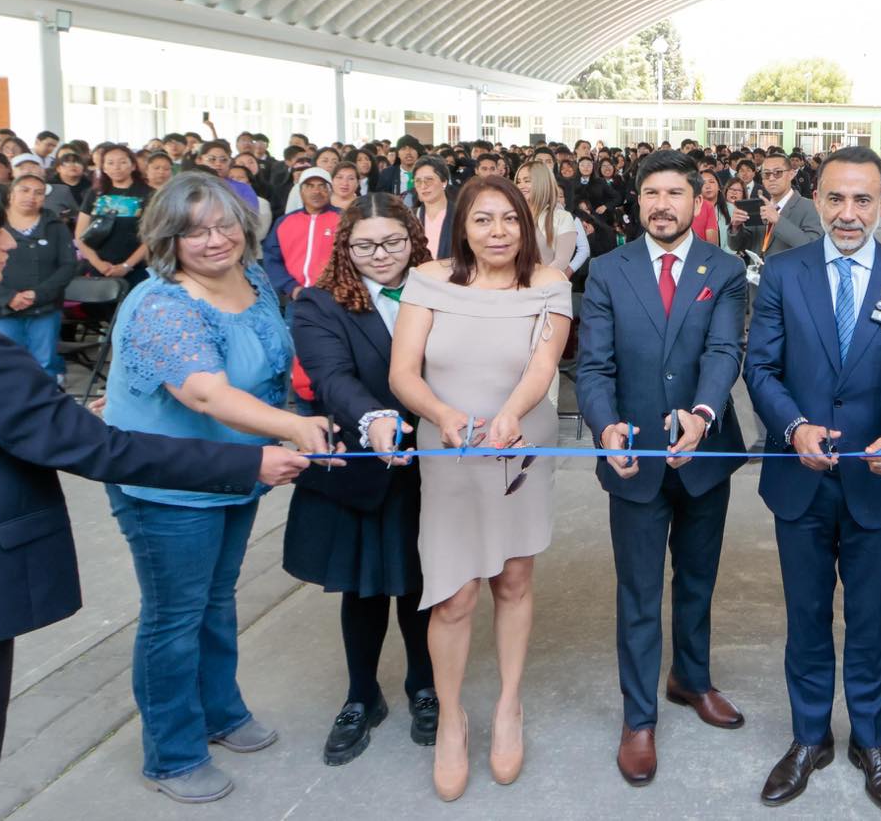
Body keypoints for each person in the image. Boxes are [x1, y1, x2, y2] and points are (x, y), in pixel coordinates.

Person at [0, 167, 310, 821]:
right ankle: (174, 750)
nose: (9, 242)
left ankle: (215, 713)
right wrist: (243, 464)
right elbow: (96, 450)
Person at [100, 173, 336, 803]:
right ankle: (172, 753)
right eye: (194, 230)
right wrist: (295, 428)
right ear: (165, 238)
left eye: (224, 224)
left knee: (216, 600)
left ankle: (221, 711)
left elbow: (267, 367)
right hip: (168, 484)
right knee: (173, 618)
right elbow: (205, 392)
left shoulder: (251, 279)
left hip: (233, 473)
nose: (214, 240)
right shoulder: (161, 305)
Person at [746, 145, 881, 814]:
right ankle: (808, 738)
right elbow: (761, 369)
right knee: (805, 617)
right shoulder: (783, 273)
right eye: (835, 198)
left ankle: (871, 742)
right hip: (798, 480)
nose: (848, 213)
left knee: (868, 620)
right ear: (817, 200)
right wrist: (792, 427)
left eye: (862, 199)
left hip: (875, 482)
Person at [388, 177, 572, 800]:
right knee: (453, 594)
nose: (497, 232)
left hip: (518, 444)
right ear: (460, 227)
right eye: (482, 220)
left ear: (526, 223)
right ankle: (451, 718)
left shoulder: (549, 284)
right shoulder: (428, 280)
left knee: (514, 580)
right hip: (448, 447)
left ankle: (508, 708)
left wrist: (512, 414)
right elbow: (403, 372)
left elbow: (543, 367)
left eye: (509, 220)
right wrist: (441, 415)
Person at [577, 150, 752, 786]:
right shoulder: (607, 271)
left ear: (696, 199)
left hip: (705, 455)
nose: (661, 205)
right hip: (636, 460)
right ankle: (638, 717)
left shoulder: (724, 268)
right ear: (638, 200)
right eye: (651, 193)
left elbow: (724, 347)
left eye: (674, 193)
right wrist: (605, 426)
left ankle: (691, 679)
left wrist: (703, 414)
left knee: (699, 579)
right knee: (640, 591)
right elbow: (594, 366)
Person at [284, 195, 439, 766]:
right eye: (365, 245)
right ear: (346, 248)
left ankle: (423, 685)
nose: (380, 255)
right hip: (361, 463)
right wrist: (374, 419)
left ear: (414, 240)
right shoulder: (319, 304)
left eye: (393, 242)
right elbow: (331, 377)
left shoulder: (440, 291)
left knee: (422, 580)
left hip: (432, 463)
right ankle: (360, 694)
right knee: (366, 586)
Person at [0, 174, 77, 378]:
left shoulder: (55, 225)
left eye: (38, 193)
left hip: (44, 307)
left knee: (45, 363)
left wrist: (37, 294)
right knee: (5, 364)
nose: (31, 196)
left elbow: (68, 265)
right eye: (24, 190)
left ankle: (45, 407)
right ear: (10, 195)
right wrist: (8, 297)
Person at [261, 167, 341, 304]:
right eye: (309, 186)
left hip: (336, 298)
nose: (316, 191)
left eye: (322, 186)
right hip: (296, 298)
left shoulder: (344, 219)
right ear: (301, 191)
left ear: (330, 190)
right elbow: (272, 258)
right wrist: (291, 287)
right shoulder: (284, 222)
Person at [76, 144, 152, 283]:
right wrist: (98, 263)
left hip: (137, 268)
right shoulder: (94, 193)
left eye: (122, 162)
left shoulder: (148, 194)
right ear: (103, 168)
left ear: (133, 165)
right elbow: (80, 234)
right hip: (99, 268)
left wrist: (126, 266)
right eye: (110, 163)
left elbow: (153, 236)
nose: (116, 167)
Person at [513, 160, 586, 277]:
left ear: (542, 183)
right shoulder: (511, 215)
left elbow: (561, 261)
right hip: (510, 287)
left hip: (544, 288)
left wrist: (532, 282)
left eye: (527, 181)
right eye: (518, 182)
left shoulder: (562, 217)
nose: (521, 186)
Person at [757, 151, 824, 260]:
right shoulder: (761, 206)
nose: (771, 178)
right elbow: (739, 244)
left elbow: (813, 248)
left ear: (791, 174)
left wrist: (778, 220)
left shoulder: (810, 207)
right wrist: (736, 228)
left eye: (778, 172)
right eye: (766, 174)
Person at [408, 157, 458, 258]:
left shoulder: (461, 215)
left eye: (429, 180)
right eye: (418, 181)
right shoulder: (410, 218)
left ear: (444, 182)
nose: (423, 186)